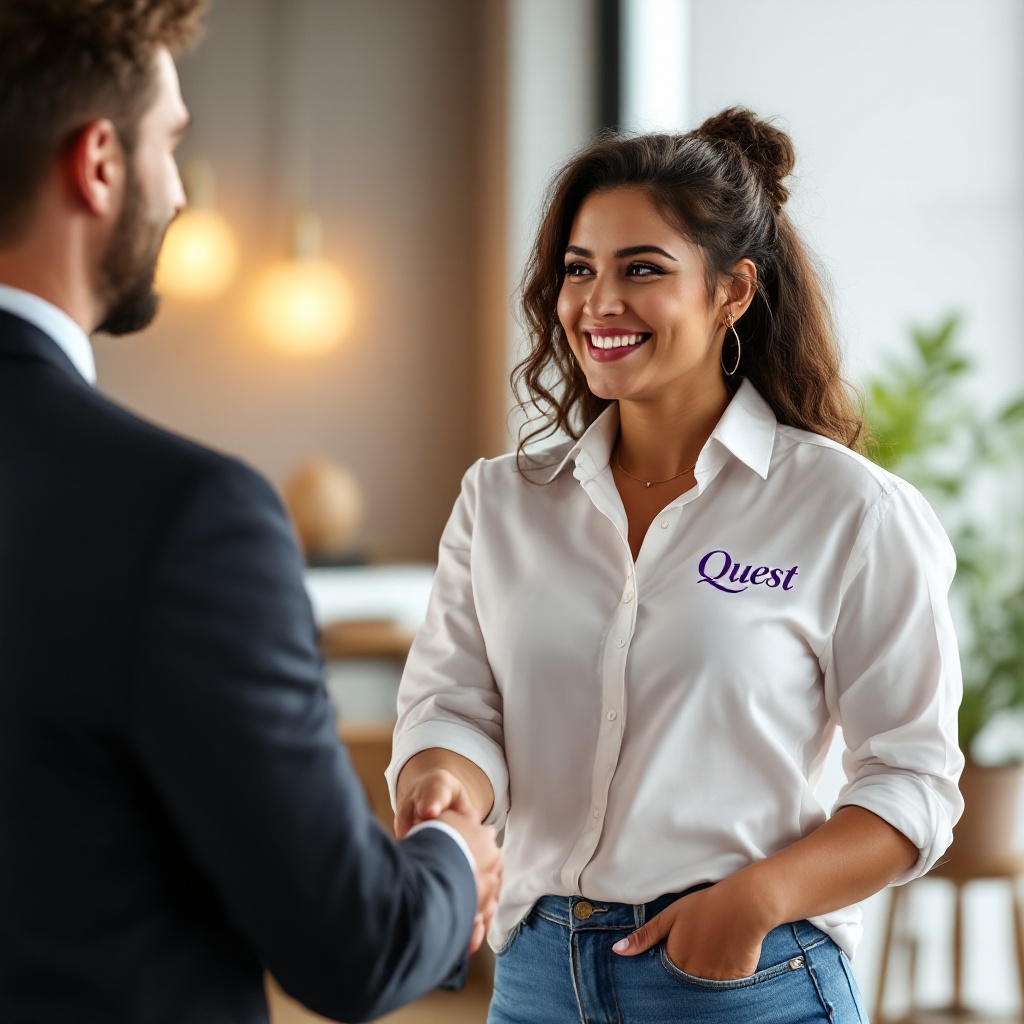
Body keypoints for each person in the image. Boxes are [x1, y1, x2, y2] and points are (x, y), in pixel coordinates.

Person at [387, 108, 963, 1023]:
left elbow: (912, 783)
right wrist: (444, 785)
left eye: (642, 270)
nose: (596, 303)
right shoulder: (502, 502)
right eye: (579, 270)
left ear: (732, 292)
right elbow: (455, 704)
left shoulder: (852, 511)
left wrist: (754, 903)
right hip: (535, 979)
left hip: (744, 981)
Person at [0, 3, 501, 1022]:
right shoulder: (185, 518)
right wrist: (455, 859)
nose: (179, 189)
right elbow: (355, 941)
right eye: (172, 144)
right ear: (98, 162)